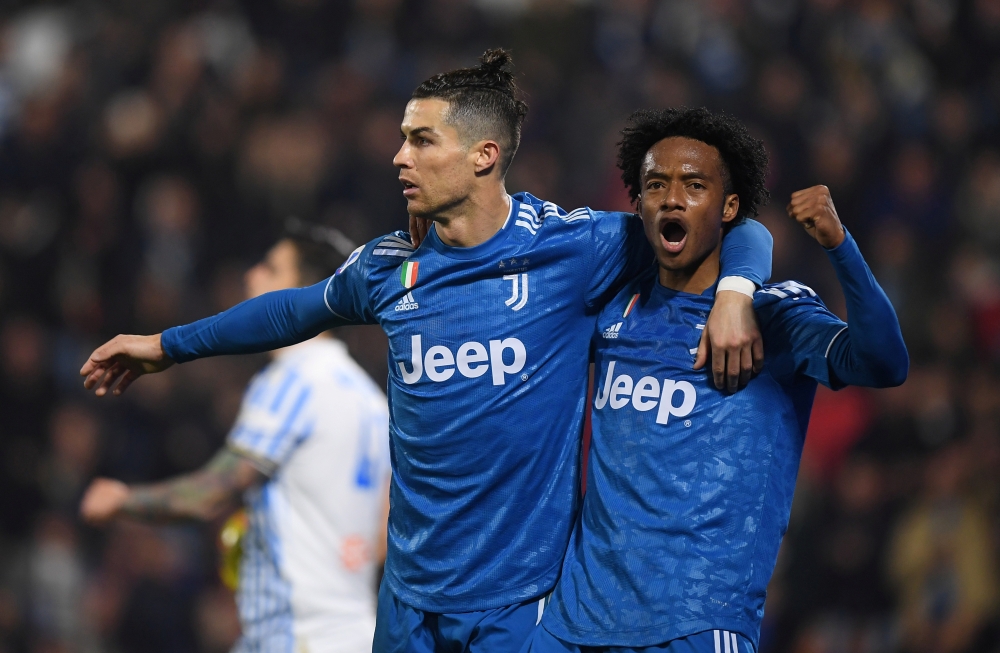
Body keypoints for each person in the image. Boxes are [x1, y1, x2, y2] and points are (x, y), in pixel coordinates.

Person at [79, 51, 773, 651]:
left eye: (420, 140)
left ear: (483, 155)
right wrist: (167, 346)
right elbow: (295, 309)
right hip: (409, 601)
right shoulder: (388, 266)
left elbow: (730, 227)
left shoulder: (570, 249)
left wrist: (738, 292)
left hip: (517, 605)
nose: (398, 157)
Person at [525, 107, 909, 653]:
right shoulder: (612, 307)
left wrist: (839, 246)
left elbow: (883, 363)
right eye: (656, 185)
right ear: (638, 202)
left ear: (728, 206)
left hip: (695, 623)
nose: (673, 198)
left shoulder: (775, 316)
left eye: (694, 185)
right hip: (574, 624)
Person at [80, 226, 391, 653]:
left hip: (295, 635)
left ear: (302, 293)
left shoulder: (293, 380)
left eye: (271, 268)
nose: (252, 277)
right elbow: (381, 539)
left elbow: (209, 494)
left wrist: (122, 500)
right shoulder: (372, 402)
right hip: (356, 632)